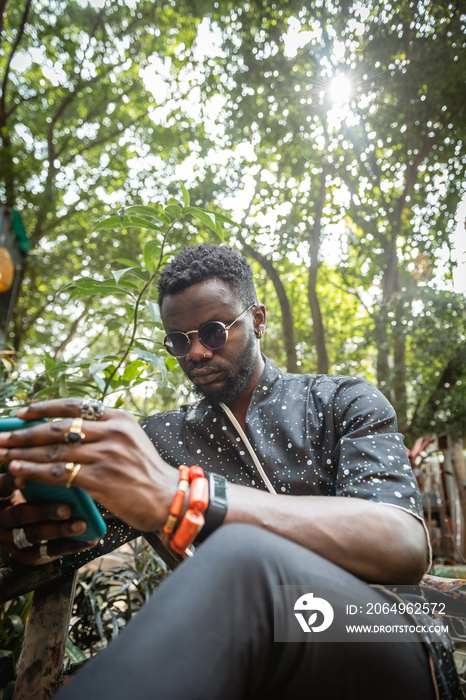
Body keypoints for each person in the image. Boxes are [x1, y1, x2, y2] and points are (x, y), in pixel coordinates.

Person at [0, 244, 459, 699]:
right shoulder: (160, 439)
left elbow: (402, 544)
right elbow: (74, 533)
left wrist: (187, 497)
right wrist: (30, 528)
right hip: (251, 648)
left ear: (257, 320)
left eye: (214, 331)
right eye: (179, 340)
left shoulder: (342, 401)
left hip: (374, 629)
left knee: (242, 553)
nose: (196, 352)